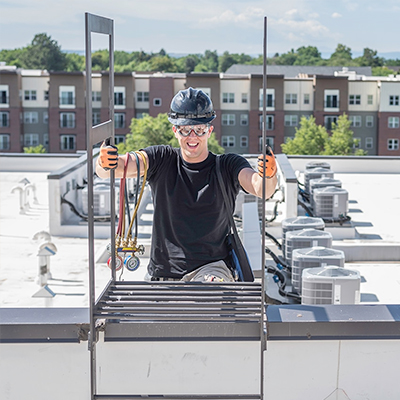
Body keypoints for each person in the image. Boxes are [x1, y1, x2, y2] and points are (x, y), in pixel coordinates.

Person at [96, 87, 277, 282]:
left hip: (212, 270)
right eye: (185, 129)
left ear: (209, 130)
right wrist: (105, 162)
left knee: (208, 302)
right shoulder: (162, 159)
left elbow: (260, 188)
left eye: (199, 129)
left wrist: (268, 174)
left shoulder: (227, 165)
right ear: (175, 130)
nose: (193, 136)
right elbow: (118, 168)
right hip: (162, 274)